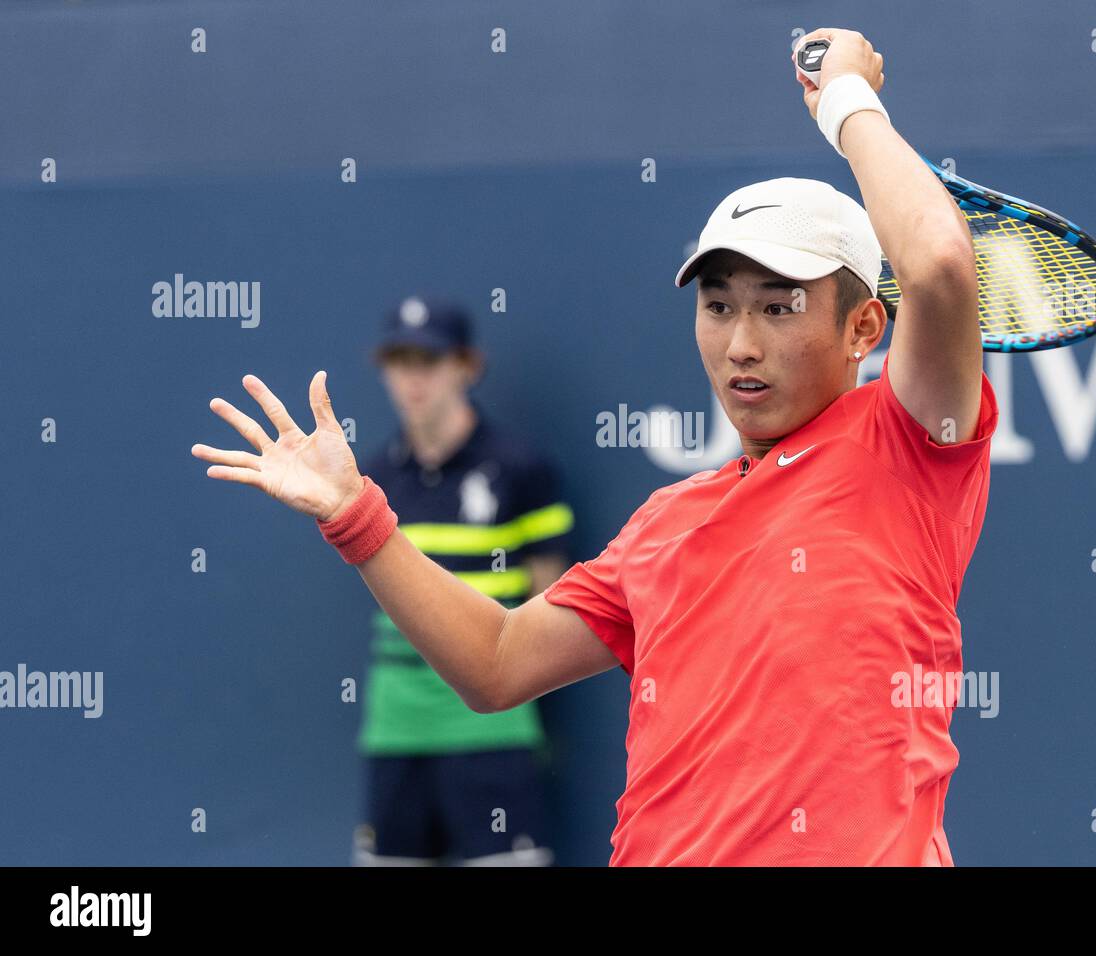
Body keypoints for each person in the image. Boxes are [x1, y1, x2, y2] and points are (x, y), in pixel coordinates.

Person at [192, 28, 998, 866]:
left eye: (780, 306)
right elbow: (495, 665)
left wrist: (844, 100)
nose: (741, 343)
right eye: (718, 306)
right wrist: (358, 518)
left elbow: (939, 264)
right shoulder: (665, 524)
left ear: (864, 326)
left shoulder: (904, 446)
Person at [356, 296, 572, 865]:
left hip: (494, 738)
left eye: (428, 360)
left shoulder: (521, 469)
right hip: (395, 734)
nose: (413, 378)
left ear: (466, 367)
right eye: (399, 361)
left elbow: (550, 611)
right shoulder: (371, 478)